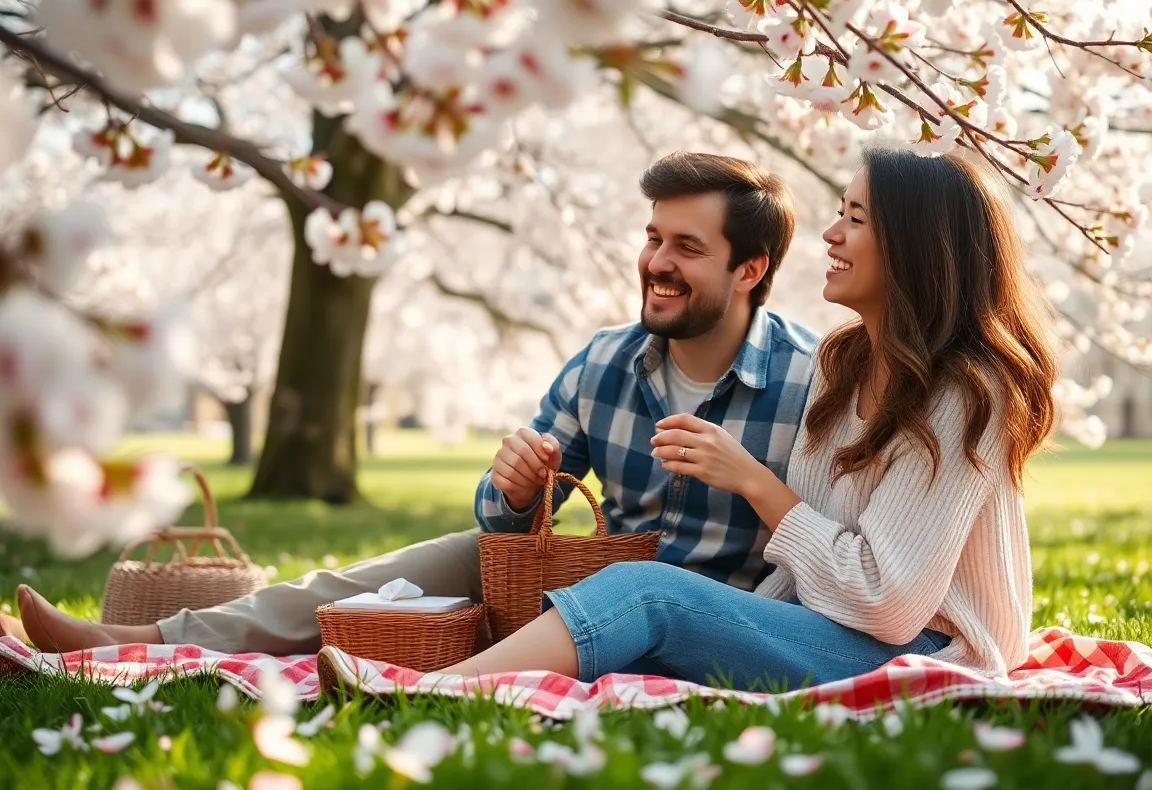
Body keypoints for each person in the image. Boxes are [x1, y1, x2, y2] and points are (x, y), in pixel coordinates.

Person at [12, 151, 819, 655]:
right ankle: (137, 641)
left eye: (687, 247)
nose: (656, 263)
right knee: (420, 560)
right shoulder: (607, 361)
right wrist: (510, 488)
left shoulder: (810, 383)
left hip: (705, 620)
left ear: (751, 269)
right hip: (579, 591)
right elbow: (505, 528)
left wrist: (748, 481)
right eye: (652, 237)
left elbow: (833, 555)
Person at [431, 148, 1059, 690]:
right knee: (646, 613)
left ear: (917, 245)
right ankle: (424, 664)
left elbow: (888, 603)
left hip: (927, 654)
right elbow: (802, 575)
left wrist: (752, 480)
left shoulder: (968, 394)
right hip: (832, 633)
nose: (831, 235)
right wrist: (736, 623)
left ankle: (433, 690)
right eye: (839, 212)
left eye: (856, 219)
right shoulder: (845, 367)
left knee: (647, 594)